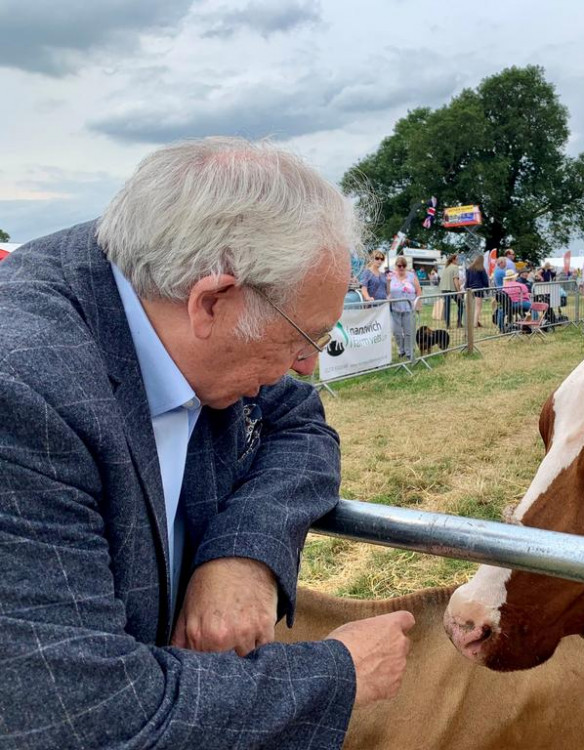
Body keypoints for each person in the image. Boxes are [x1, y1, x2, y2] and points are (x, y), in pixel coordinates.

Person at [0, 137, 415, 748]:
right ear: (212, 302)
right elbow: (87, 719)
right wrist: (342, 672)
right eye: (304, 337)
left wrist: (244, 554)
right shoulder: (24, 393)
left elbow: (300, 422)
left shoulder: (156, 289)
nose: (305, 365)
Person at [389, 257, 421, 358]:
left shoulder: (412, 276)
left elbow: (418, 290)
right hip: (395, 309)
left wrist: (418, 304)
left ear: (406, 266)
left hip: (409, 309)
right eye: (399, 265)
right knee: (396, 332)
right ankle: (401, 349)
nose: (401, 267)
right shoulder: (391, 276)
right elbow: (388, 291)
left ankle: (409, 352)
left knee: (409, 332)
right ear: (396, 266)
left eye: (404, 265)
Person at [438, 254, 464, 328]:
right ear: (453, 260)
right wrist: (459, 291)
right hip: (451, 290)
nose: (458, 260)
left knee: (447, 307)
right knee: (461, 305)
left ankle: (447, 325)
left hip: (444, 289)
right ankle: (459, 323)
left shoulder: (447, 267)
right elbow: (455, 280)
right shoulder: (455, 267)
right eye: (457, 259)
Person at [465, 254, 491, 327]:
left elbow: (467, 280)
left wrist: (466, 288)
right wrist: (487, 288)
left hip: (470, 289)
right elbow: (485, 280)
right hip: (478, 289)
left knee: (471, 307)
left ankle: (470, 322)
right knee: (478, 307)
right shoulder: (481, 269)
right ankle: (475, 323)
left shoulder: (469, 269)